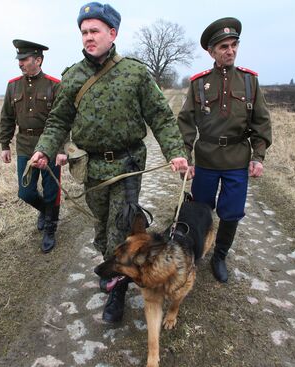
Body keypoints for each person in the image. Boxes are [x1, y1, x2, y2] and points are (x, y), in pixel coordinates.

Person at [30, 2, 188, 323]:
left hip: (128, 164)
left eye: (94, 31)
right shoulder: (72, 77)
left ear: (112, 33)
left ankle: (117, 291)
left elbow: (160, 116)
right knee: (101, 227)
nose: (88, 37)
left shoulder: (135, 73)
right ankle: (109, 260)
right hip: (93, 168)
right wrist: (45, 149)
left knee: (120, 226)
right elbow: (58, 120)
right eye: (84, 32)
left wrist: (174, 151)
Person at [177, 17, 272, 283]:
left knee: (231, 212)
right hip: (206, 159)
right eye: (223, 47)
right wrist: (185, 157)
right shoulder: (199, 83)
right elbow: (185, 123)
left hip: (237, 161)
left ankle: (219, 255)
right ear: (211, 52)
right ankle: (199, 249)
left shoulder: (250, 82)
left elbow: (261, 122)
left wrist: (258, 156)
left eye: (234, 45)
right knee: (202, 210)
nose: (230, 51)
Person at [0, 39, 67, 253]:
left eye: (24, 59)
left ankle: (50, 228)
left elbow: (63, 121)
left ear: (38, 60)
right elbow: (7, 118)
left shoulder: (55, 85)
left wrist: (62, 150)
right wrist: (5, 144)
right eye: (19, 59)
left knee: (50, 190)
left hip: (50, 145)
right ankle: (46, 212)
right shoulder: (13, 86)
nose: (20, 63)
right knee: (25, 192)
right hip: (25, 146)